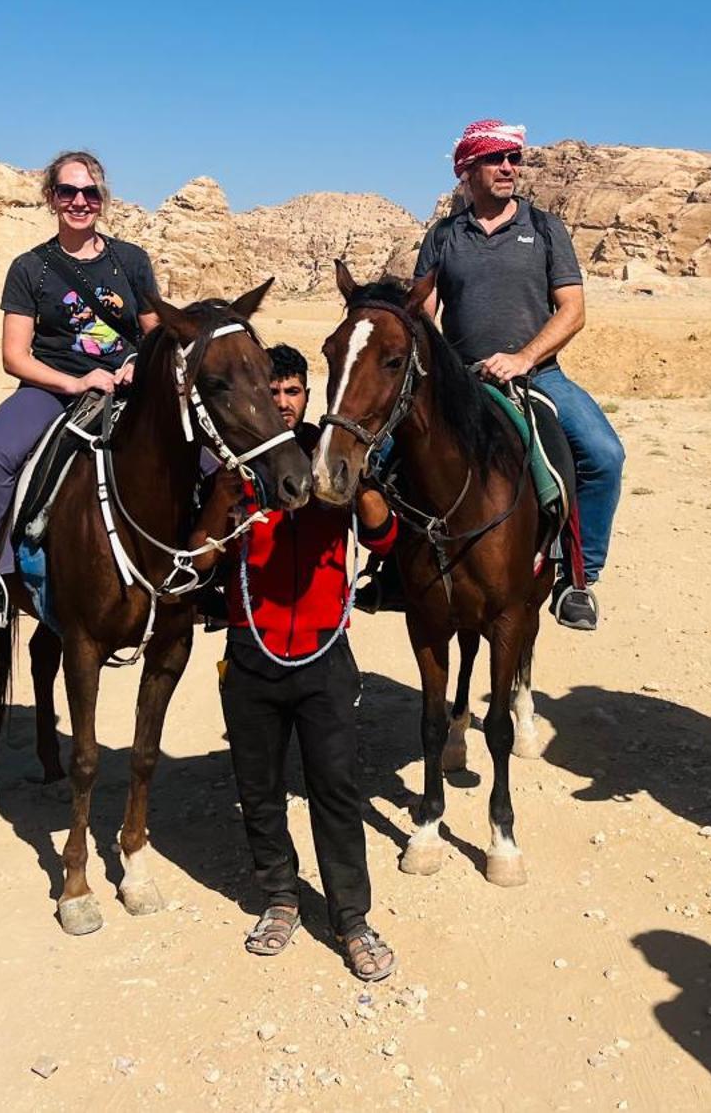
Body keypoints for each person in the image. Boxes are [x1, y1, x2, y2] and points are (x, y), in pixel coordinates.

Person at [191, 343, 400, 982]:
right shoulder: (234, 467)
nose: (282, 404)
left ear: (307, 396)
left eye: (292, 392)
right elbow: (198, 562)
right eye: (273, 392)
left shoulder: (331, 458)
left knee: (334, 787)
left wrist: (358, 489)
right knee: (257, 789)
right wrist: (215, 510)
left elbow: (386, 537)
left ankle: (351, 919)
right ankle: (280, 898)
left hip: (324, 655)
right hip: (250, 654)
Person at [411, 118, 625, 631]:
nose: (508, 168)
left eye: (513, 159)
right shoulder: (443, 237)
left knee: (604, 456)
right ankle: (389, 569)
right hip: (462, 380)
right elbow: (422, 314)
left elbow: (572, 310)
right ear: (468, 169)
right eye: (494, 159)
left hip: (538, 376)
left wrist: (525, 358)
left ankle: (579, 579)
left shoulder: (546, 229)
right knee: (384, 457)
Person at [0, 149, 162, 628]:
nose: (80, 201)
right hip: (51, 390)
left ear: (103, 200)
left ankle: (208, 576)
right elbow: (15, 356)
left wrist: (136, 363)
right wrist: (77, 380)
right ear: (51, 198)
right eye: (68, 191)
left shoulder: (130, 261)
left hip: (127, 389)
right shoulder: (30, 268)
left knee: (209, 454)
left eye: (90, 192)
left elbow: (154, 331)